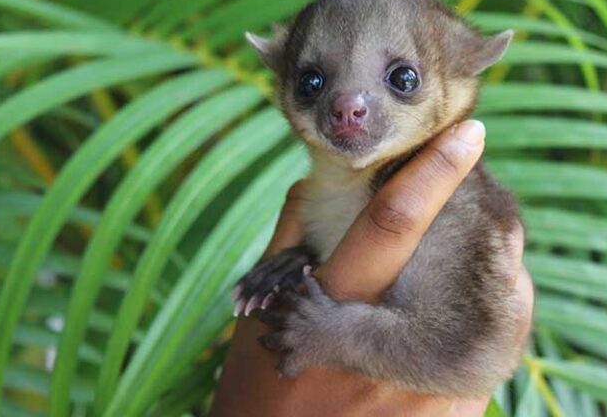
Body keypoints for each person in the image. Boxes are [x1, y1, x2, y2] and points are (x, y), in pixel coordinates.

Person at [211, 121, 534, 416]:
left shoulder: (462, 210)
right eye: (314, 82)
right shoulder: (324, 197)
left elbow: (469, 359)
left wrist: (336, 333)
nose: (350, 107)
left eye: (402, 80)